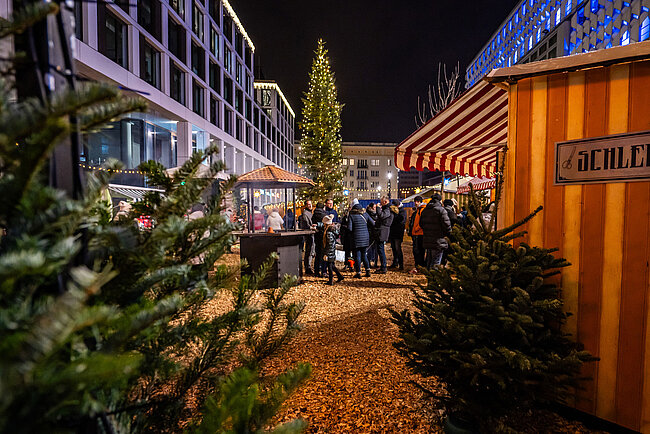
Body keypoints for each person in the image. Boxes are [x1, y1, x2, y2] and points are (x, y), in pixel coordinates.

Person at [419, 193, 451, 269]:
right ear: (440, 200)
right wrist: (448, 233)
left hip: (427, 239)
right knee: (436, 261)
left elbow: (421, 224)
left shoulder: (425, 210)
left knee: (429, 260)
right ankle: (433, 279)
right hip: (438, 239)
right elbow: (447, 225)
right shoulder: (441, 210)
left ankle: (429, 277)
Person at [347, 203, 373, 278]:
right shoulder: (366, 215)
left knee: (357, 255)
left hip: (356, 238)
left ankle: (358, 272)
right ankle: (368, 270)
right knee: (364, 254)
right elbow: (372, 223)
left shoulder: (351, 216)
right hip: (365, 237)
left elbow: (350, 228)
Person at [316, 214, 344, 285]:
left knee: (330, 266)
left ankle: (331, 280)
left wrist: (326, 253)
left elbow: (329, 245)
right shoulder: (331, 230)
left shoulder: (328, 233)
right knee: (332, 265)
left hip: (329, 252)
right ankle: (339, 276)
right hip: (331, 251)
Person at [374, 196, 394, 274]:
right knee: (380, 249)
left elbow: (382, 216)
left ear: (385, 202)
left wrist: (378, 208)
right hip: (382, 231)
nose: (380, 203)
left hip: (382, 231)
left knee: (381, 249)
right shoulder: (388, 208)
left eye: (381, 202)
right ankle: (383, 266)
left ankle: (384, 267)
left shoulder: (387, 209)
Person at [408, 196, 427, 271]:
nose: (415, 203)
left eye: (417, 201)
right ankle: (419, 265)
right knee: (418, 251)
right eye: (415, 201)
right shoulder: (418, 210)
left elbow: (422, 222)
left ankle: (419, 266)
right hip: (417, 233)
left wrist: (416, 229)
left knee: (418, 251)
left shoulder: (422, 210)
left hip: (419, 233)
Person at [388, 199, 407, 270]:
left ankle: (401, 264)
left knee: (398, 249)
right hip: (393, 232)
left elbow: (401, 221)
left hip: (398, 233)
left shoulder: (402, 211)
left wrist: (395, 215)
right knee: (393, 248)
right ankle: (395, 263)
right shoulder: (394, 211)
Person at [299, 200, 314, 274]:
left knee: (310, 250)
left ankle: (308, 266)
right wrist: (311, 227)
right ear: (305, 205)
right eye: (308, 204)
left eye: (310, 204)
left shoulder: (309, 213)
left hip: (310, 234)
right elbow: (306, 225)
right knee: (309, 250)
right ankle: (307, 267)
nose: (310, 206)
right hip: (308, 234)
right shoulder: (305, 214)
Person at [312, 202, 327, 276]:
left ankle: (316, 270)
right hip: (322, 235)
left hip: (316, 235)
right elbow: (325, 224)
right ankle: (323, 270)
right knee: (323, 253)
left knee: (317, 253)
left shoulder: (314, 214)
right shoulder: (324, 215)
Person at [365, 202, 378, 267]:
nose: (375, 208)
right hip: (370, 233)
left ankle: (375, 262)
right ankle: (369, 262)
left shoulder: (376, 213)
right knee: (369, 248)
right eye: (374, 207)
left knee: (375, 249)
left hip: (375, 233)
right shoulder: (368, 213)